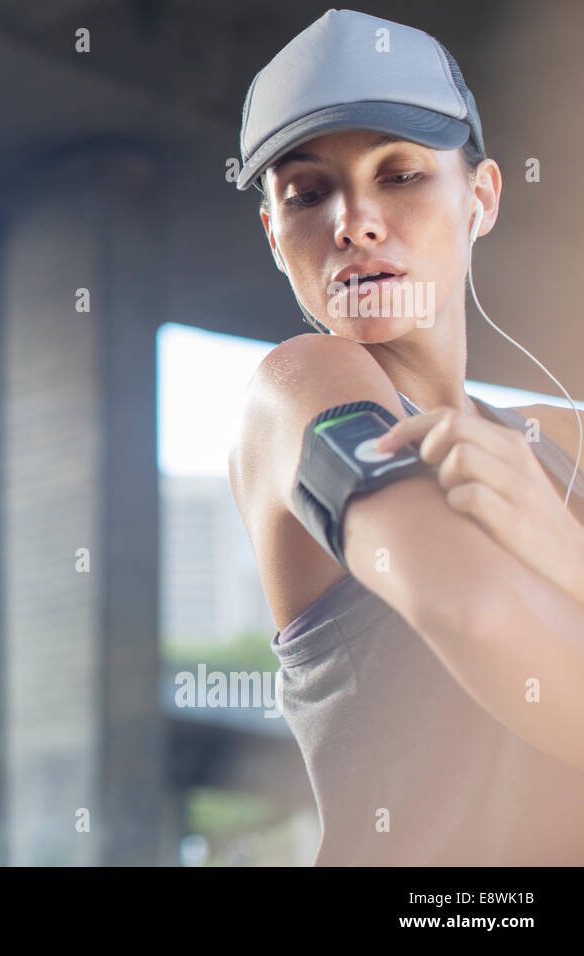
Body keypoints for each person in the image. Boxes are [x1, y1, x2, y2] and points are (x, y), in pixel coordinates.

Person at [227, 8, 584, 865]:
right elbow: (479, 612)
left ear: (482, 197)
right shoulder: (305, 387)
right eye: (307, 193)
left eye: (402, 174)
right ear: (276, 234)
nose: (354, 221)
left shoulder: (564, 441)